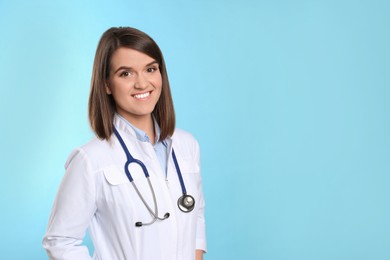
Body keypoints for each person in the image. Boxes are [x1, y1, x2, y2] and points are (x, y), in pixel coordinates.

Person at [42, 27, 207, 260]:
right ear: (107, 84)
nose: (142, 83)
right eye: (126, 74)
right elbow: (60, 240)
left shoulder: (187, 145)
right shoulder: (90, 160)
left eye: (150, 69)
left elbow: (195, 212)